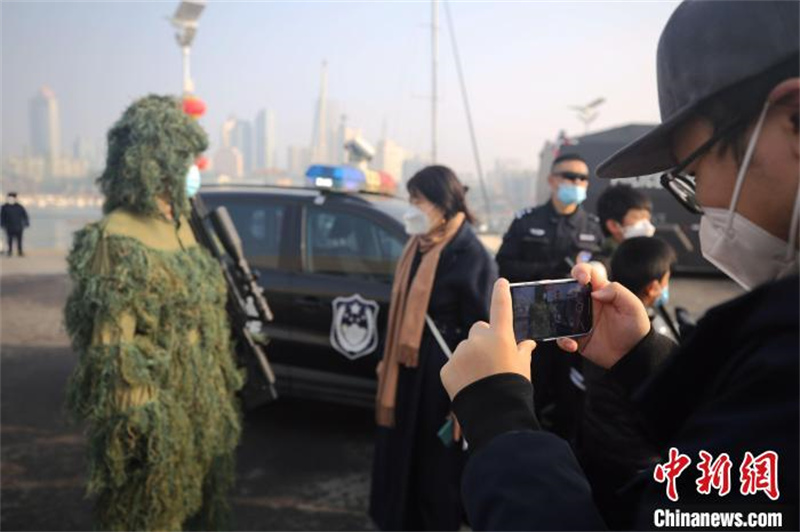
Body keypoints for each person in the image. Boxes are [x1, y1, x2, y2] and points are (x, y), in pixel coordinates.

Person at [441, 1, 799, 529]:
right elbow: (728, 462)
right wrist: (645, 361)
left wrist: (501, 423)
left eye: (695, 171)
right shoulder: (772, 352)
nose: (704, 205)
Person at [64, 95, 243, 531]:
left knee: (200, 509)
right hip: (160, 418)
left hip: (200, 408)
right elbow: (113, 351)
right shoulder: (117, 236)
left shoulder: (179, 223)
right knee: (155, 517)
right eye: (186, 158)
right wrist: (144, 434)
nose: (195, 169)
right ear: (153, 162)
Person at [370, 165, 497, 531]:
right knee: (400, 453)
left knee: (434, 465)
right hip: (407, 370)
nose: (411, 208)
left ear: (442, 204)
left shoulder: (471, 254)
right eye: (409, 200)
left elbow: (483, 330)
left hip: (441, 379)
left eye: (417, 201)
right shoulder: (419, 244)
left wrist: (467, 397)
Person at [496, 153, 604, 441]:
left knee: (571, 405)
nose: (577, 182)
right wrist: (551, 271)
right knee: (530, 399)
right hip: (532, 329)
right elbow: (504, 265)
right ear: (552, 180)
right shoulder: (526, 221)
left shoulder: (592, 227)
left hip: (574, 333)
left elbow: (605, 270)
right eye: (570, 176)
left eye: (583, 178)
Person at [578, 237, 677, 529]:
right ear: (653, 287)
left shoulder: (598, 325)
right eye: (668, 279)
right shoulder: (645, 337)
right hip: (636, 464)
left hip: (596, 447)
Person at [594, 184, 655, 272]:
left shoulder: (649, 256)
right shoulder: (604, 264)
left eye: (647, 219)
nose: (646, 225)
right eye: (638, 218)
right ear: (613, 225)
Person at [1, 192, 30, 257]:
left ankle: (20, 251)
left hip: (19, 226)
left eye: (12, 198)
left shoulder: (19, 207)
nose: (11, 199)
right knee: (9, 240)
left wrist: (26, 223)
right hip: (9, 226)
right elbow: (2, 217)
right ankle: (10, 251)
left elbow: (25, 215)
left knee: (19, 240)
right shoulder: (5, 207)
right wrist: (2, 224)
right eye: (10, 198)